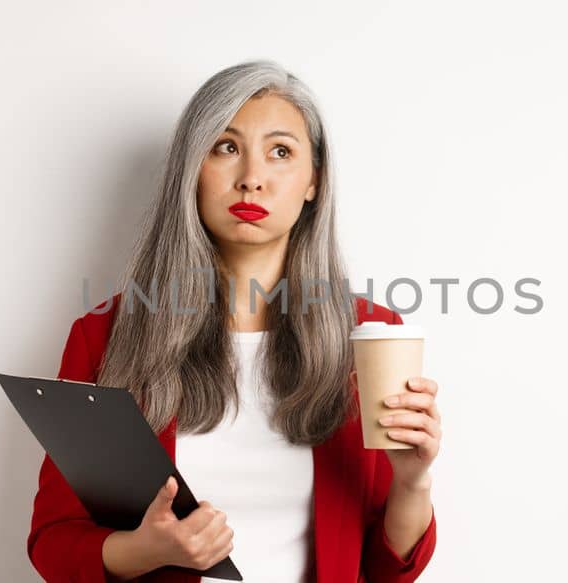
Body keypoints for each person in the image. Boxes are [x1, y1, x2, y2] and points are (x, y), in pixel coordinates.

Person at [27, 60, 441, 583]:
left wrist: (414, 479)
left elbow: (389, 571)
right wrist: (146, 550)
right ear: (191, 171)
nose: (251, 178)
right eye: (226, 147)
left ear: (314, 181)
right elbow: (53, 542)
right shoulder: (106, 335)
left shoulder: (371, 334)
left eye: (281, 152)